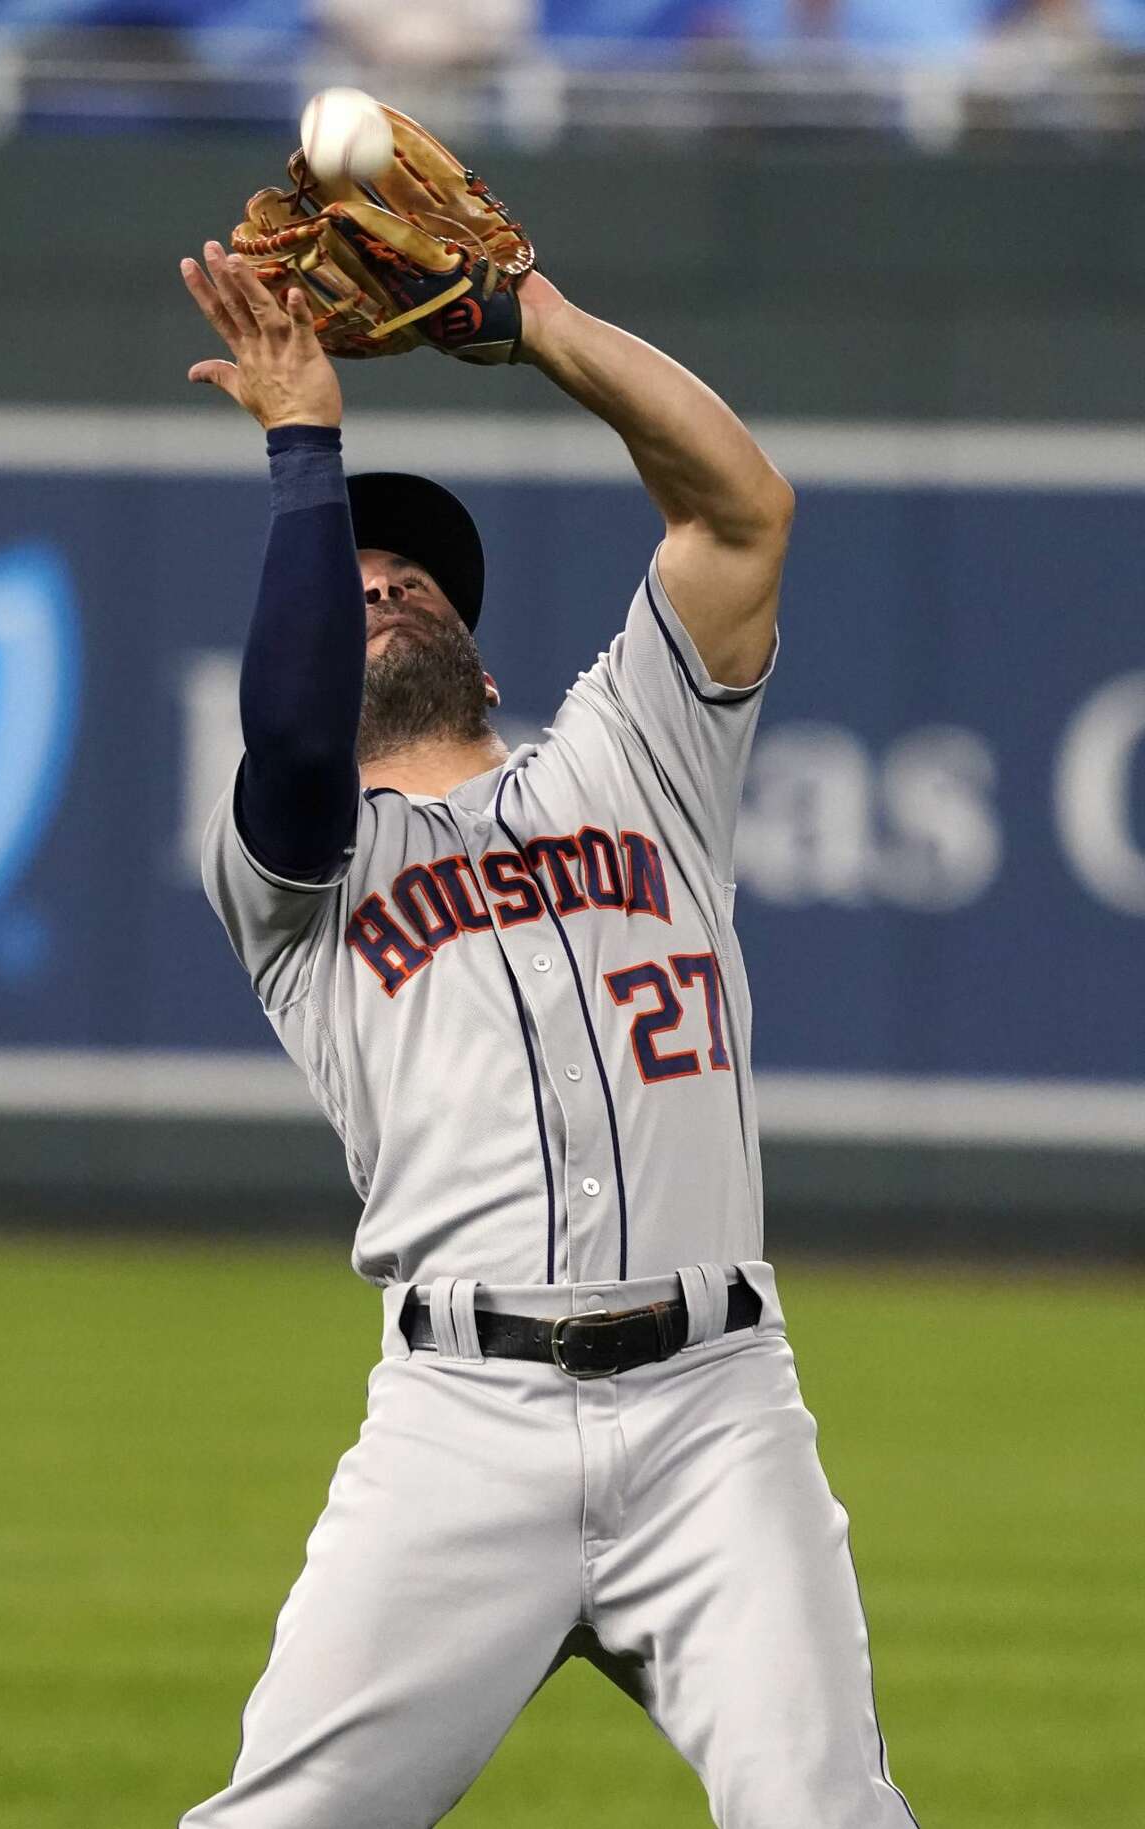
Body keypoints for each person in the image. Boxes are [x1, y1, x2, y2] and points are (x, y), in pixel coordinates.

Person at [176, 237, 919, 1828]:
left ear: (479, 651)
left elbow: (743, 512)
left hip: (719, 1402)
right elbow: (297, 737)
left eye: (413, 582)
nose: (379, 593)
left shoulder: (631, 757)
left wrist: (542, 325)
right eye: (350, 587)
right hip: (464, 1419)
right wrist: (306, 446)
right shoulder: (293, 875)